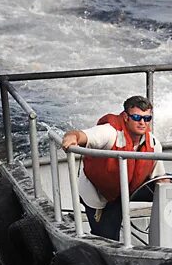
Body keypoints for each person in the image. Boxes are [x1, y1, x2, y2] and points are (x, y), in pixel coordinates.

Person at [61, 95, 165, 241]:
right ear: (126, 117)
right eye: (136, 117)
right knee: (108, 240)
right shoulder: (109, 132)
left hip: (129, 188)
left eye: (147, 119)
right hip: (101, 195)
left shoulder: (153, 144)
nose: (142, 123)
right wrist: (71, 138)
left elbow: (161, 179)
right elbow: (80, 135)